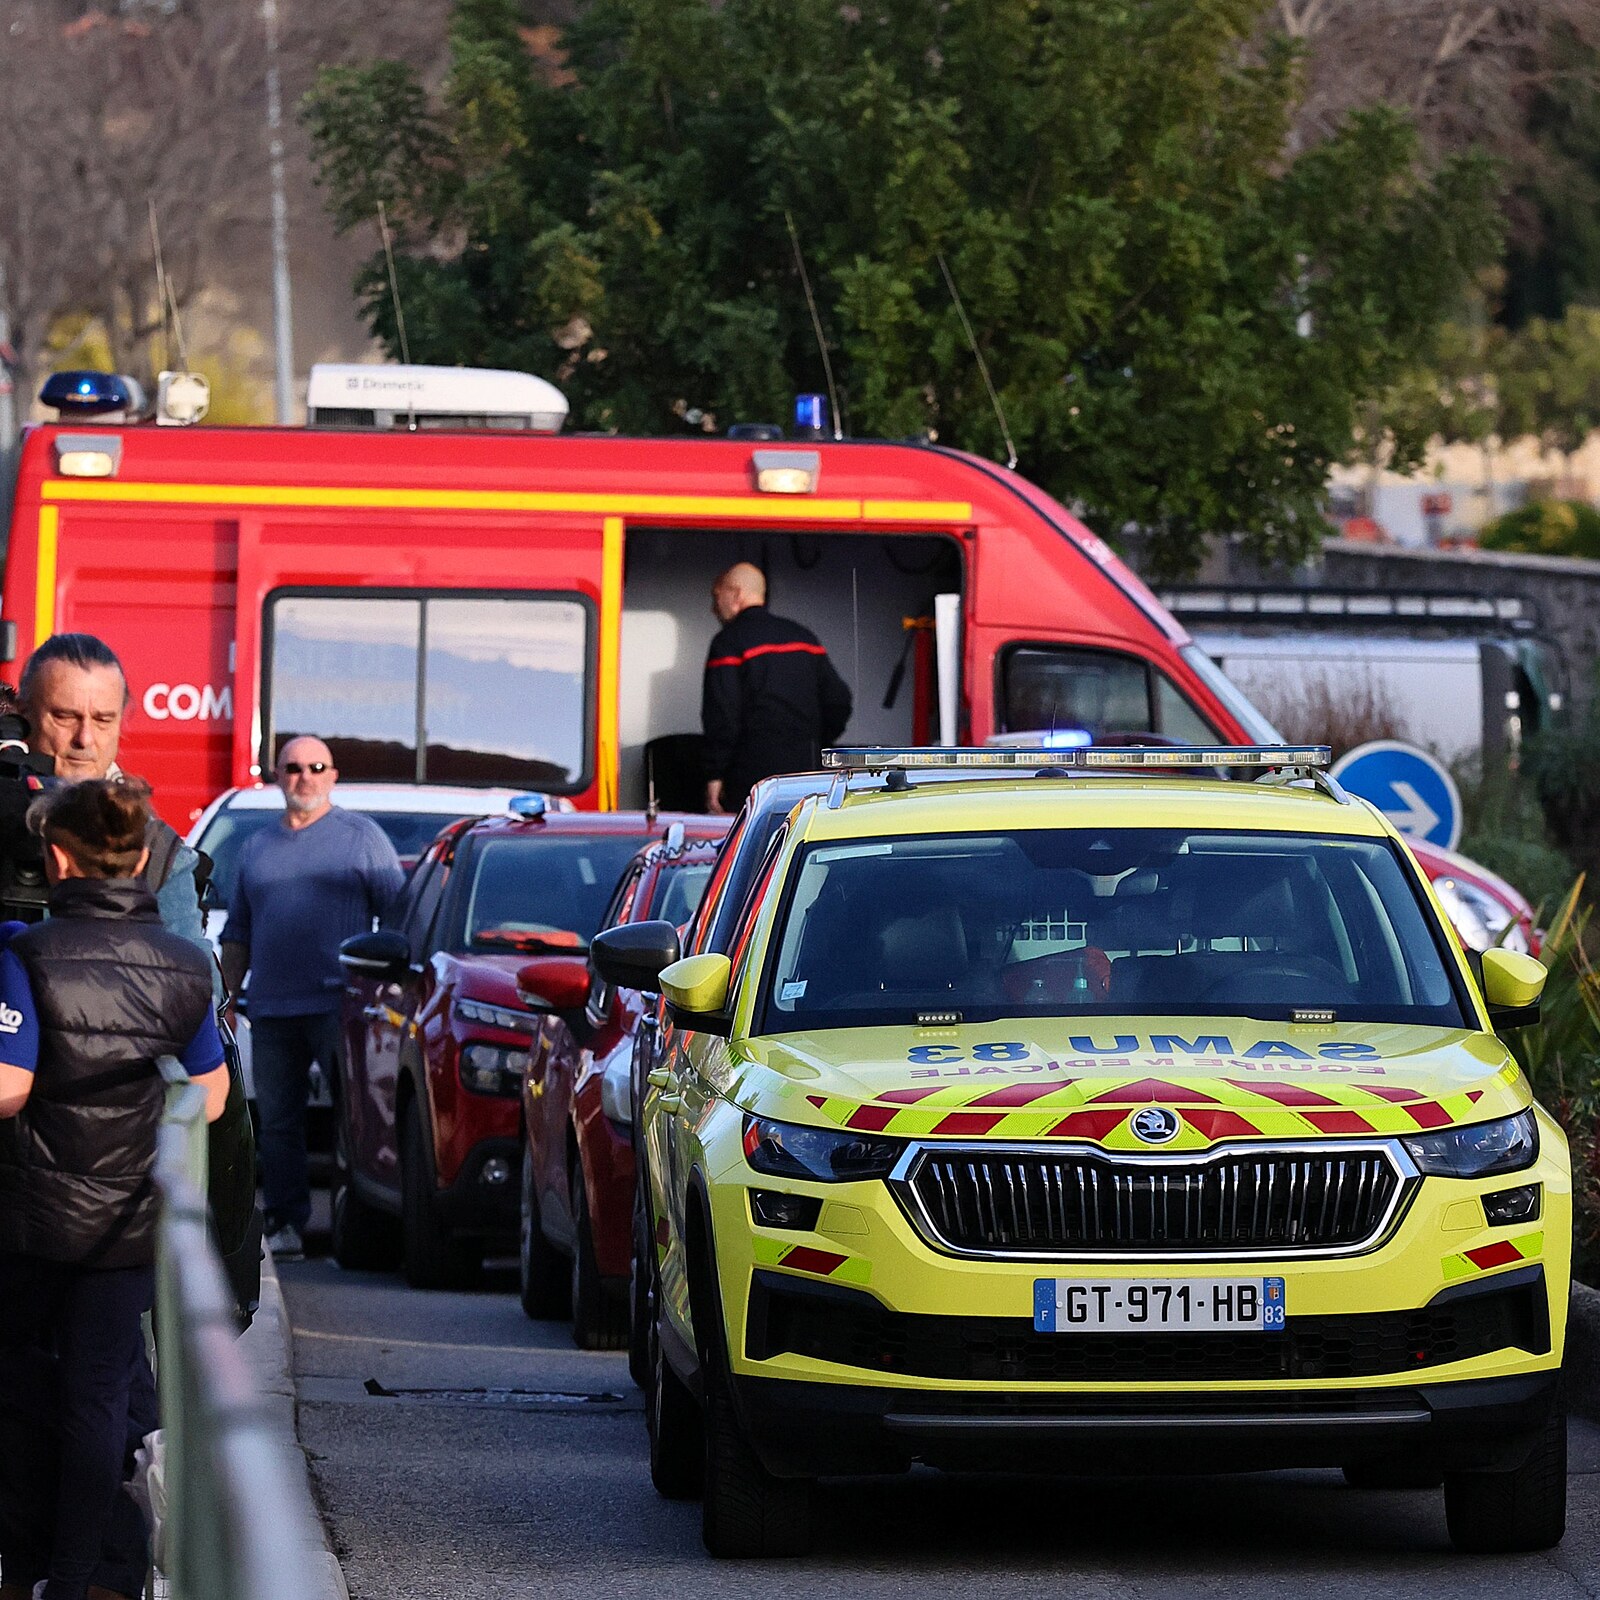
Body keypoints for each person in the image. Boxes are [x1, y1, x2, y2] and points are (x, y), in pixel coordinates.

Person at [0, 779, 227, 1600]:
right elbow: (211, 1095)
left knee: (20, 1390)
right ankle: (77, 1578)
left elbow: (9, 1086)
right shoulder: (185, 965)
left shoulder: (27, 952)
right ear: (136, 862)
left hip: (29, 1218)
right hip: (128, 1219)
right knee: (99, 1399)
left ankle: (22, 1567)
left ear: (60, 860)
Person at [220, 737, 404, 1261]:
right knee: (278, 1123)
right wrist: (227, 999)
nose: (305, 777)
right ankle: (286, 1224)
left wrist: (387, 988)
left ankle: (363, 1228)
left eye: (316, 767)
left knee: (357, 1118)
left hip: (341, 1009)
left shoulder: (362, 838)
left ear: (333, 775)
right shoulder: (256, 847)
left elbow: (398, 919)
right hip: (272, 1009)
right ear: (278, 775)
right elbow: (238, 933)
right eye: (294, 767)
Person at [18, 634, 208, 954]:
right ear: (23, 715)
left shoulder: (158, 851)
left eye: (103, 720)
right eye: (65, 717)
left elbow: (196, 978)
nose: (85, 738)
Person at [700, 562, 852, 813]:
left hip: (750, 781)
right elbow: (839, 701)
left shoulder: (728, 643)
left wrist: (714, 774)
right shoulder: (804, 638)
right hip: (805, 776)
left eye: (717, 596)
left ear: (736, 594)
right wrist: (813, 743)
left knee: (753, 837)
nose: (713, 607)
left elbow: (722, 716)